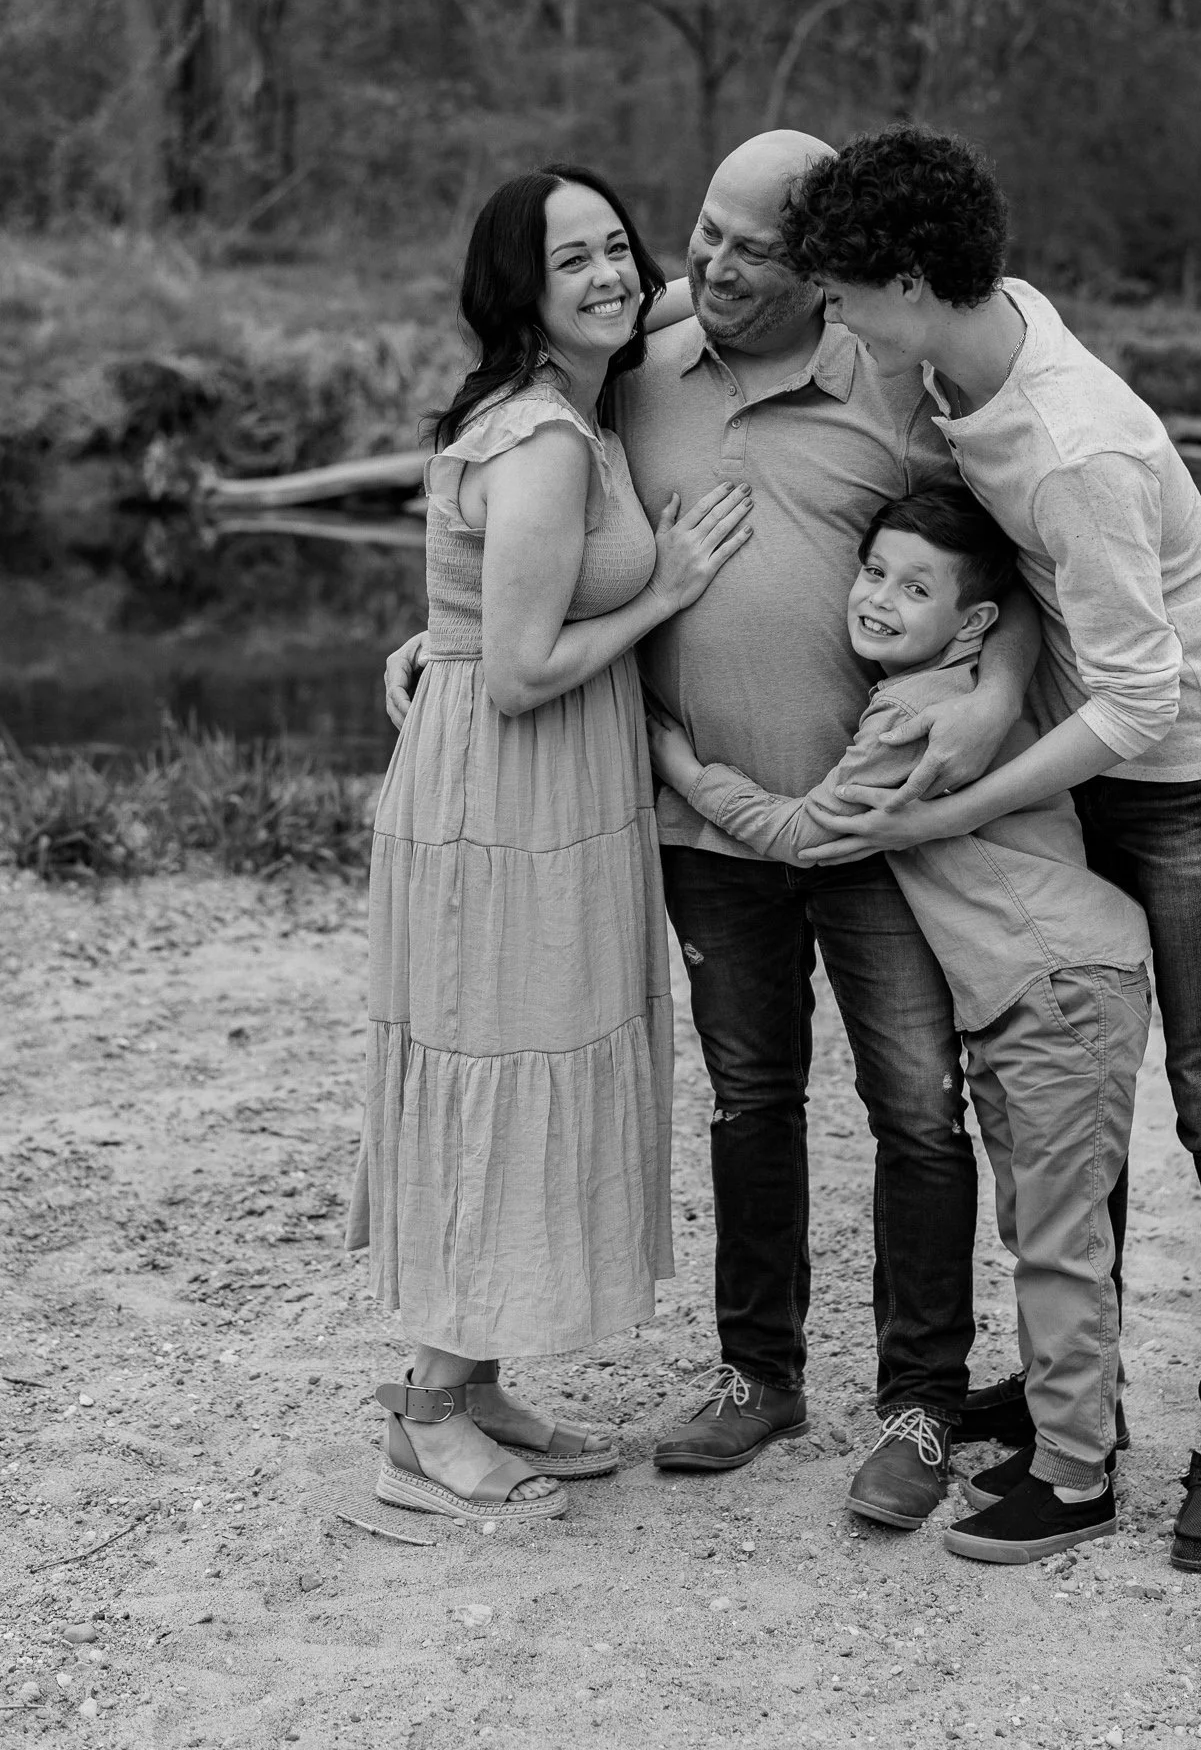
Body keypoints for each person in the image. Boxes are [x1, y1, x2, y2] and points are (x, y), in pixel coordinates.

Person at [388, 129, 1043, 1531]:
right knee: (751, 1101)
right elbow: (527, 529)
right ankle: (759, 1376)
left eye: (759, 248)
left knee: (915, 1108)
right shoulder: (635, 367)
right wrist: (442, 633)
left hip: (875, 825)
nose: (716, 266)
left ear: (825, 268)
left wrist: (992, 691)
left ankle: (922, 1402)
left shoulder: (893, 384)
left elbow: (1013, 564)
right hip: (699, 826)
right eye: (706, 233)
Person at [781, 124, 1201, 1575]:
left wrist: (948, 806)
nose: (831, 323)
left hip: (1189, 776)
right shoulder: (956, 363)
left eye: (841, 296)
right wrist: (996, 687)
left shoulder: (1077, 447)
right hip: (1081, 753)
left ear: (907, 282)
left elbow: (1146, 696)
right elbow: (1013, 587)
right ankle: (1084, 1406)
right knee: (1078, 1089)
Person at [348, 163, 753, 1525]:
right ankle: (423, 1417)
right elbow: (520, 672)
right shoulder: (542, 439)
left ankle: (474, 1387)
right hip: (507, 794)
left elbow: (691, 290)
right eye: (570, 259)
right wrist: (669, 591)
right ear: (517, 289)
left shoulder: (578, 396)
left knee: (525, 1054)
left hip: (544, 789)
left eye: (618, 247)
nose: (609, 275)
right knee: (498, 1068)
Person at [647, 481, 1152, 1562]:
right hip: (1025, 985)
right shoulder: (939, 685)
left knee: (1050, 1231)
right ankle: (1065, 1435)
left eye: (914, 587)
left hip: (1054, 980)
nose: (877, 596)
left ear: (969, 621)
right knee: (1043, 1226)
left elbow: (807, 832)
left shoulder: (913, 714)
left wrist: (681, 766)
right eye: (872, 571)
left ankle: (1071, 1475)